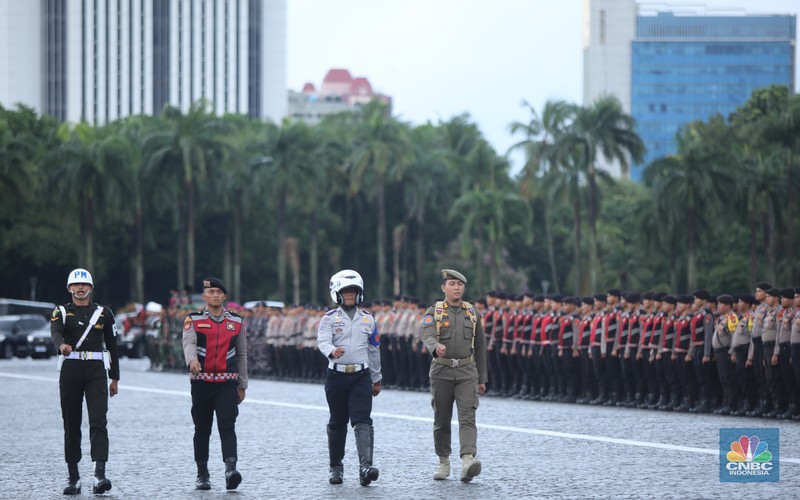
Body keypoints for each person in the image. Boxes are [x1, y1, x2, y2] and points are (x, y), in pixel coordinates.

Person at [50, 268, 120, 495]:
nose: (80, 289)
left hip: (96, 370)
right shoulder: (60, 312)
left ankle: (100, 474)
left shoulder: (104, 313)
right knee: (71, 422)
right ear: (69, 288)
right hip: (70, 369)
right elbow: (56, 332)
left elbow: (112, 346)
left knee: (98, 420)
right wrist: (61, 345)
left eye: (84, 285)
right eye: (76, 285)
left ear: (91, 288)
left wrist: (115, 378)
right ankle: (73, 477)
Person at [420, 269, 488, 482]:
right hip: (441, 371)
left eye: (460, 284)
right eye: (452, 284)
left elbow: (480, 347)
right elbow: (427, 335)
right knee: (441, 418)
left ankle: (468, 460)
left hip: (467, 371)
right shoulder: (434, 312)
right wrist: (435, 347)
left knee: (468, 417)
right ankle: (443, 462)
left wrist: (482, 378)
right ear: (443, 288)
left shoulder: (473, 313)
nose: (457, 287)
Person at [317, 269, 382, 486]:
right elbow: (322, 341)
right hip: (336, 376)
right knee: (338, 421)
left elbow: (374, 350)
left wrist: (376, 378)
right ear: (337, 293)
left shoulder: (368, 319)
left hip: (361, 376)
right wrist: (331, 350)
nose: (350, 295)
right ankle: (336, 467)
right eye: (346, 292)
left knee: (362, 419)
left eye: (354, 292)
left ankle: (366, 467)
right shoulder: (328, 319)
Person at [182, 277, 248, 490]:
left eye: (219, 292)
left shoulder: (236, 322)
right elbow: (189, 343)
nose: (216, 295)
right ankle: (202, 473)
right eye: (211, 292)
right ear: (204, 296)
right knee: (202, 428)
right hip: (201, 383)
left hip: (226, 383)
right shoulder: (193, 320)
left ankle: (231, 469)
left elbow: (242, 354)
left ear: (225, 296)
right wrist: (192, 361)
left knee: (227, 425)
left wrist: (243, 384)